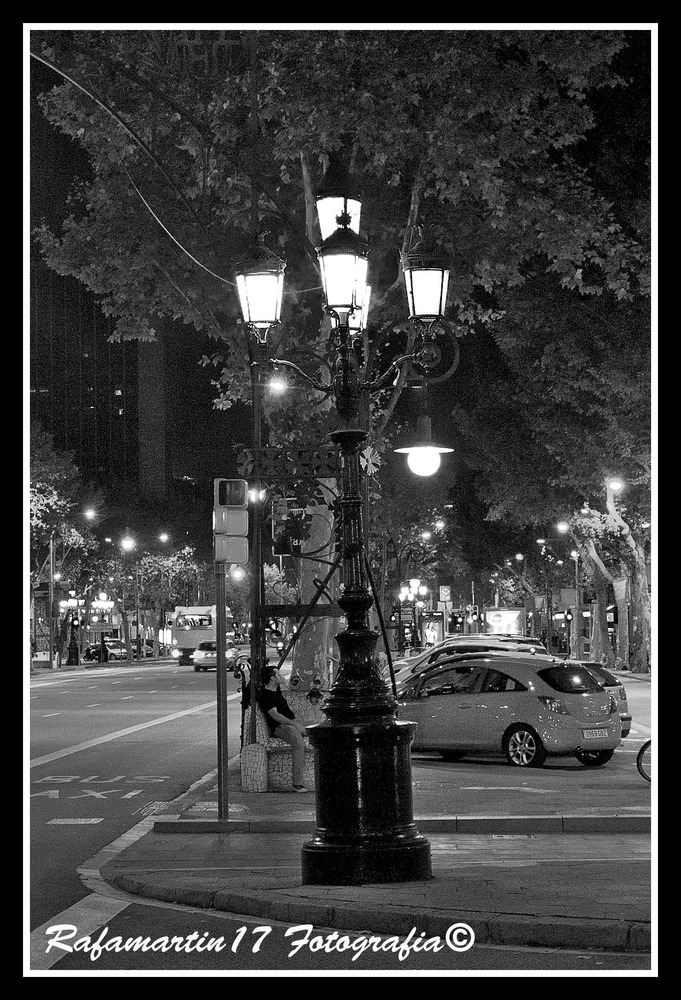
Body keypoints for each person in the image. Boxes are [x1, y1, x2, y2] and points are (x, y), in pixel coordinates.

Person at [257, 664, 308, 793]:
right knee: (298, 743)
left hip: (290, 723)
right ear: (272, 679)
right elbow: (275, 715)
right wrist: (294, 725)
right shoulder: (266, 695)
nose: (281, 676)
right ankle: (297, 783)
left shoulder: (276, 691)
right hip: (281, 727)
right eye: (278, 674)